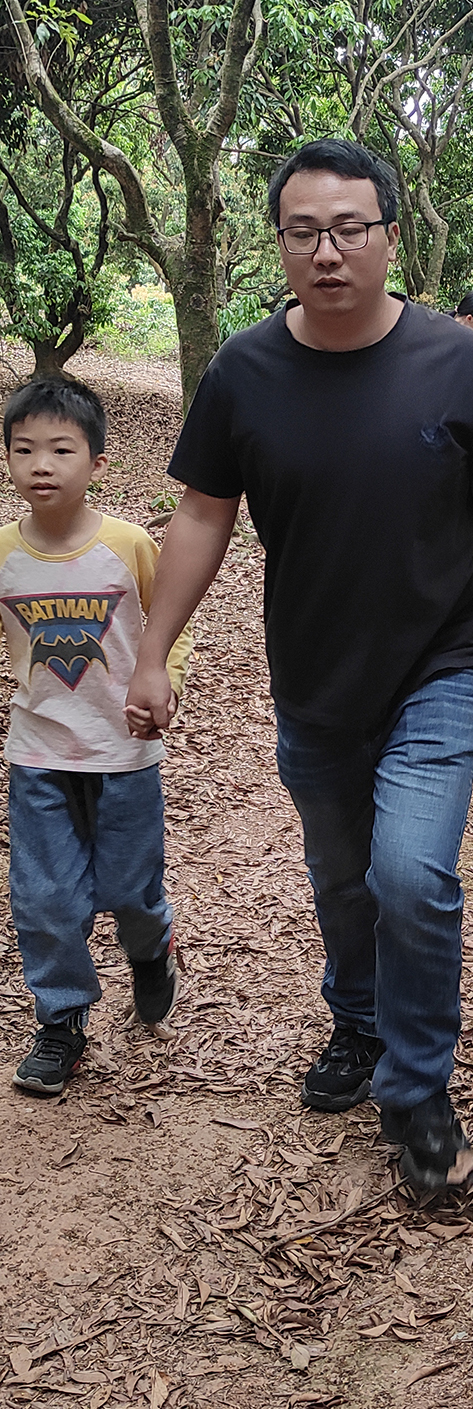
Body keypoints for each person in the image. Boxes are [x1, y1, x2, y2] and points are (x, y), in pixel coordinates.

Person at [124, 136, 473, 1195]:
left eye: (349, 228)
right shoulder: (243, 373)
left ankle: (418, 1087)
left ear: (390, 236)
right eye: (303, 231)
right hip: (312, 678)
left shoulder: (455, 361)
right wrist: (153, 651)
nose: (327, 251)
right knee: (344, 879)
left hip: (438, 664)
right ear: (281, 244)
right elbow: (203, 517)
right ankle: (356, 1019)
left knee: (410, 875)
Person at [0, 377, 192, 1097]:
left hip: (124, 753)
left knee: (130, 890)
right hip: (38, 751)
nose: (41, 465)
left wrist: (164, 681)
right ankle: (61, 1022)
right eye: (24, 450)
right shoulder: (4, 552)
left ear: (97, 462)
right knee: (44, 896)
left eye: (61, 449)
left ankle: (150, 950)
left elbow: (169, 621)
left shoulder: (127, 544)